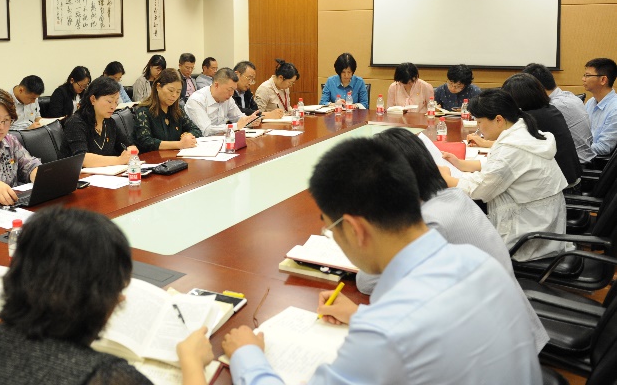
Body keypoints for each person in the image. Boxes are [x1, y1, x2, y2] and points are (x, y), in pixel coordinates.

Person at [216, 138, 542, 384]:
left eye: (331, 228)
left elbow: (400, 333)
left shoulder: (383, 334)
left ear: (355, 229)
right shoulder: (479, 263)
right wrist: (359, 316)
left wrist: (247, 356)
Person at [0, 207, 212, 385]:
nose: (121, 298)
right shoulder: (105, 375)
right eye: (116, 288)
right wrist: (192, 362)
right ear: (95, 296)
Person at [355, 128, 548, 352]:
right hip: (509, 325)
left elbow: (367, 282)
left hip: (491, 348)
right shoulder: (452, 196)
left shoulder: (429, 221)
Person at [439, 89, 570, 261]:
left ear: (499, 120)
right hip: (542, 223)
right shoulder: (522, 131)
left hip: (528, 237)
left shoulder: (511, 148)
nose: (478, 127)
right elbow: (502, 168)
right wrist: (462, 164)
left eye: (479, 122)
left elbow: (481, 189)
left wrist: (447, 179)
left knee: (455, 234)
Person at [482, 74, 580, 186]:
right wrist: (485, 143)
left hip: (561, 184)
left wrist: (486, 142)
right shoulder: (549, 109)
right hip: (568, 176)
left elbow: (512, 148)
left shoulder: (530, 118)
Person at [523, 62, 595, 164]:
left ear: (535, 87)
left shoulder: (553, 107)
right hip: (584, 160)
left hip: (575, 164)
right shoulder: (569, 96)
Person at [60, 77, 138, 168]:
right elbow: (83, 158)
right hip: (74, 175)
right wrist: (119, 160)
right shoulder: (75, 123)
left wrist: (131, 150)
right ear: (93, 99)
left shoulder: (109, 122)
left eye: (116, 102)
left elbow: (128, 145)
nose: (113, 106)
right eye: (109, 101)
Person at [133, 68, 202, 151]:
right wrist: (179, 144)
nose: (174, 95)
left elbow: (196, 130)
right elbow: (146, 142)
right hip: (154, 157)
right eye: (171, 90)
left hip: (176, 156)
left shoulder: (178, 110)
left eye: (178, 92)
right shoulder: (143, 111)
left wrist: (187, 135)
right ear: (158, 87)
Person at [185, 68, 261, 136]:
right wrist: (235, 126)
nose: (232, 94)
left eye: (234, 90)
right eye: (229, 89)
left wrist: (249, 121)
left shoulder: (228, 98)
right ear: (216, 85)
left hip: (221, 140)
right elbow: (206, 130)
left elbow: (238, 117)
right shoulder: (197, 100)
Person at [582, 57, 617, 156]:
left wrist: (576, 149)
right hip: (585, 155)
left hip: (597, 161)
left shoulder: (615, 109)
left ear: (603, 80)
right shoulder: (590, 102)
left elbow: (604, 147)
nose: (583, 79)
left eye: (587, 75)